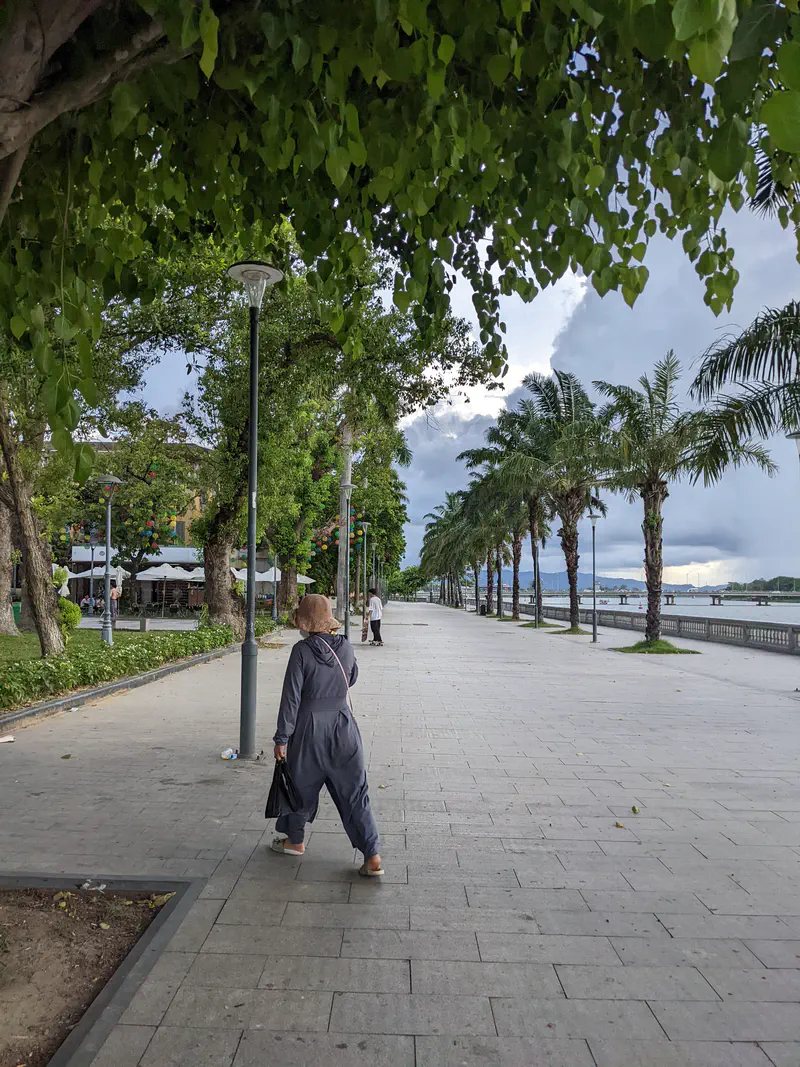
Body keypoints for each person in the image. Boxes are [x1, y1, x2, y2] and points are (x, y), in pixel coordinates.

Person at [271, 593, 383, 877]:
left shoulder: (301, 651)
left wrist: (281, 738)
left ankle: (295, 841)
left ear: (306, 623)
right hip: (343, 726)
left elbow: (291, 698)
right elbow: (352, 677)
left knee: (299, 788)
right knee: (355, 793)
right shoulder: (345, 646)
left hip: (308, 729)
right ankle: (372, 856)